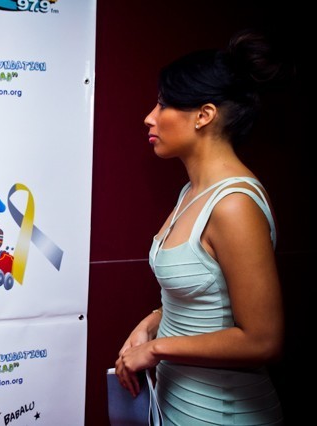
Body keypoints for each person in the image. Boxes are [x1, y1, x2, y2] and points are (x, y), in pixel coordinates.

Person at [114, 30, 288, 425]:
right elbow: (203, 301)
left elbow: (263, 340)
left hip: (223, 414)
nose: (149, 117)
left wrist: (156, 350)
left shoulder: (234, 204)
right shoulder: (192, 192)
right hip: (177, 406)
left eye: (163, 103)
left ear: (204, 115)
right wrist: (150, 324)